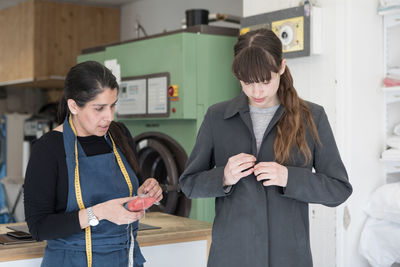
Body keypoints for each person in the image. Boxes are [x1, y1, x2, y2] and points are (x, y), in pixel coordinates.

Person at [179, 29, 353, 267]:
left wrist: (289, 177)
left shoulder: (311, 117)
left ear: (281, 67)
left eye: (264, 81)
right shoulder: (217, 116)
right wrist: (224, 176)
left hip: (288, 256)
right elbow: (189, 184)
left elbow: (338, 190)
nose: (257, 91)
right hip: (232, 256)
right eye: (247, 82)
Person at [24, 61, 163, 267]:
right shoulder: (48, 149)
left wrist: (146, 191)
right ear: (73, 106)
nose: (109, 116)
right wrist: (98, 212)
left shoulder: (119, 134)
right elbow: (39, 227)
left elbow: (134, 187)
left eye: (113, 105)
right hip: (70, 261)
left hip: (124, 259)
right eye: (99, 108)